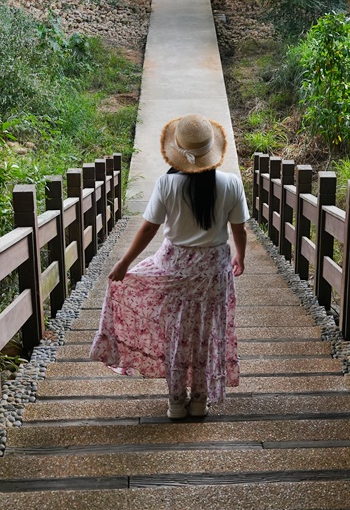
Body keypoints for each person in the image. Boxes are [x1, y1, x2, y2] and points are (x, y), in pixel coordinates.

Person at [90, 113, 249, 419]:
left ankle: (176, 401)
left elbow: (149, 228)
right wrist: (240, 255)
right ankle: (200, 399)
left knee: (176, 331)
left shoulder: (167, 184)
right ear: (212, 151)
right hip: (213, 269)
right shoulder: (231, 184)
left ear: (179, 151)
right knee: (205, 332)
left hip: (174, 267)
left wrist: (125, 264)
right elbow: (239, 228)